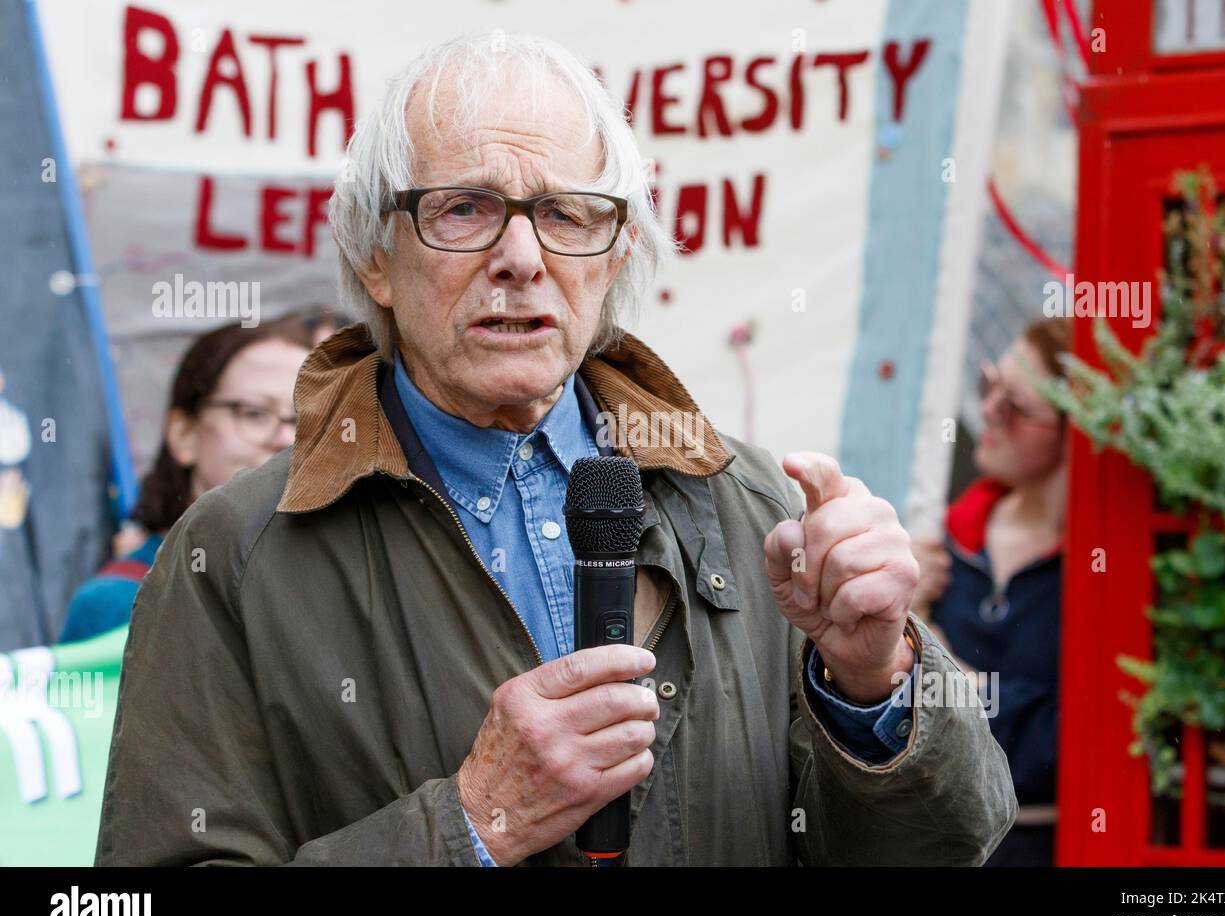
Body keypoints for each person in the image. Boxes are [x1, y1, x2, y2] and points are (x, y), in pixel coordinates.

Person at [96, 31, 1015, 866]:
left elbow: (945, 845)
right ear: (375, 253)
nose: (523, 257)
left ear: (615, 257)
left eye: (570, 215)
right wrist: (468, 827)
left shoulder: (758, 508)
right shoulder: (235, 555)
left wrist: (873, 682)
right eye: (464, 209)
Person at [910, 317, 1071, 866]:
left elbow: (1072, 744)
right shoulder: (949, 542)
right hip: (942, 842)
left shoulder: (1097, 571)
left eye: (1015, 408)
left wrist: (960, 683)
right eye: (988, 385)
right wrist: (897, 610)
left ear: (1074, 432)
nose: (987, 413)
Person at [59, 317, 314, 644]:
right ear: (184, 434)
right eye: (254, 413)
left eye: (307, 418)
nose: (286, 438)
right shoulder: (115, 605)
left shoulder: (337, 593)